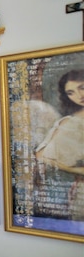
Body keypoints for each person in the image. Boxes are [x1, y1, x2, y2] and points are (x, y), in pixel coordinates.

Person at [35, 69, 84, 221]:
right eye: (71, 92)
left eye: (82, 87)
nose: (79, 96)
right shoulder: (72, 123)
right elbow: (41, 155)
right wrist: (76, 169)